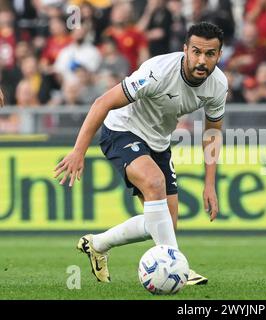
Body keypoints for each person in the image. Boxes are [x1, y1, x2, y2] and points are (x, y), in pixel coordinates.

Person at [53, 22, 227, 285]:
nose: (202, 60)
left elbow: (212, 134)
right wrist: (79, 150)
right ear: (185, 50)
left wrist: (210, 184)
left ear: (219, 55)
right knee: (154, 184)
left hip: (158, 142)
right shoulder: (158, 71)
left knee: (162, 223)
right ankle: (177, 267)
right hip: (122, 130)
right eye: (196, 52)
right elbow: (103, 102)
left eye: (210, 54)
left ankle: (98, 244)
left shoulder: (218, 85)